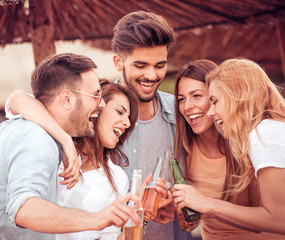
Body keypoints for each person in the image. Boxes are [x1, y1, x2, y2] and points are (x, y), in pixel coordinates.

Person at [0, 53, 141, 240]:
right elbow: (24, 208)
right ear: (67, 99)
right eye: (95, 95)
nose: (101, 104)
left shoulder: (47, 137)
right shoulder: (37, 139)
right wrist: (97, 218)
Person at [172, 59, 285, 239]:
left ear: (236, 96)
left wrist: (208, 204)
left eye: (213, 100)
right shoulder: (182, 146)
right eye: (181, 99)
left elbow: (276, 217)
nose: (187, 106)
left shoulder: (261, 135)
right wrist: (199, 210)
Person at [111, 10, 191, 240]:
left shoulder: (181, 113)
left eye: (159, 65)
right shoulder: (97, 113)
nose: (151, 75)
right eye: (140, 65)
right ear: (118, 62)